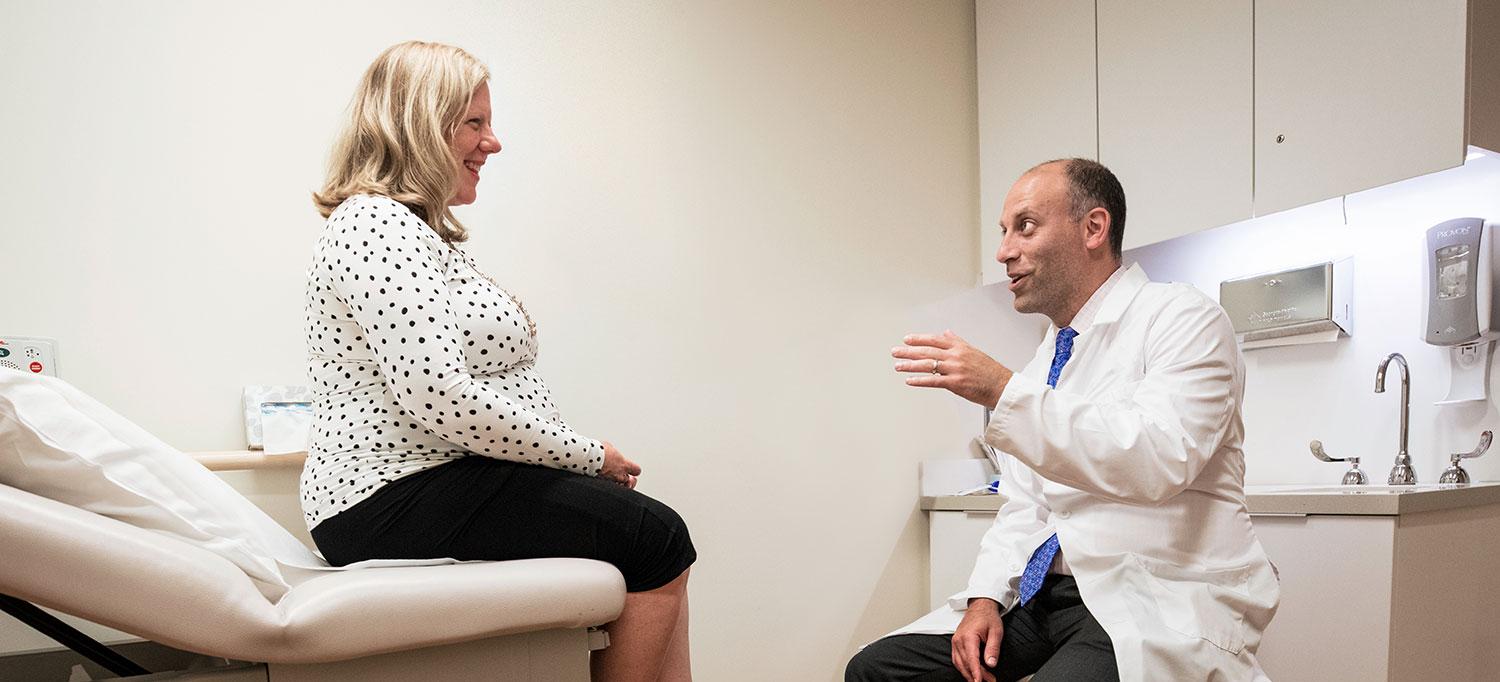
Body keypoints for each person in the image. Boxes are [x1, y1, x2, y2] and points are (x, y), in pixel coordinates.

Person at [301, 41, 695, 682]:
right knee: (656, 536)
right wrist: (586, 456)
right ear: (419, 126)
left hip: (426, 482)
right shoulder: (374, 223)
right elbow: (439, 394)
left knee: (653, 537)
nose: (493, 142)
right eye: (474, 123)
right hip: (385, 496)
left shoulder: (416, 232)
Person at [848, 159, 1279, 681]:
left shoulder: (1183, 317)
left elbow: (1161, 458)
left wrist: (1002, 389)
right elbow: (1027, 503)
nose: (1004, 251)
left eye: (1025, 226)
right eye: (1004, 231)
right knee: (876, 671)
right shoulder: (1046, 361)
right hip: (1047, 598)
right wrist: (985, 598)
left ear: (1093, 228)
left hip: (1151, 590)